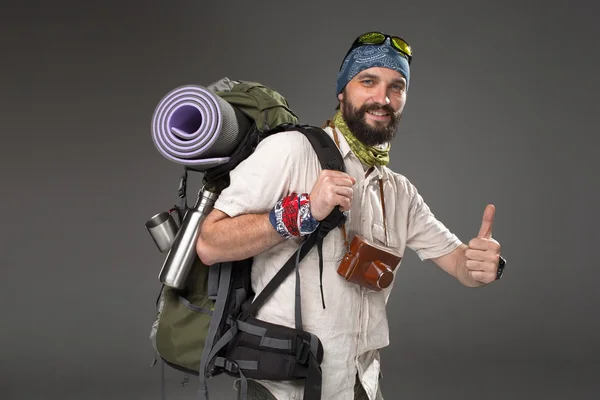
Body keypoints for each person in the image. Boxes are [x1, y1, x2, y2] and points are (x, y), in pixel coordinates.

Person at [196, 31, 505, 400]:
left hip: (362, 385)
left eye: (397, 86)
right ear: (343, 91)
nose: (382, 98)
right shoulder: (291, 151)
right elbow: (210, 243)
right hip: (285, 388)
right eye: (368, 81)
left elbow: (458, 263)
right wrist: (301, 213)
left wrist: (483, 266)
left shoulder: (398, 190)